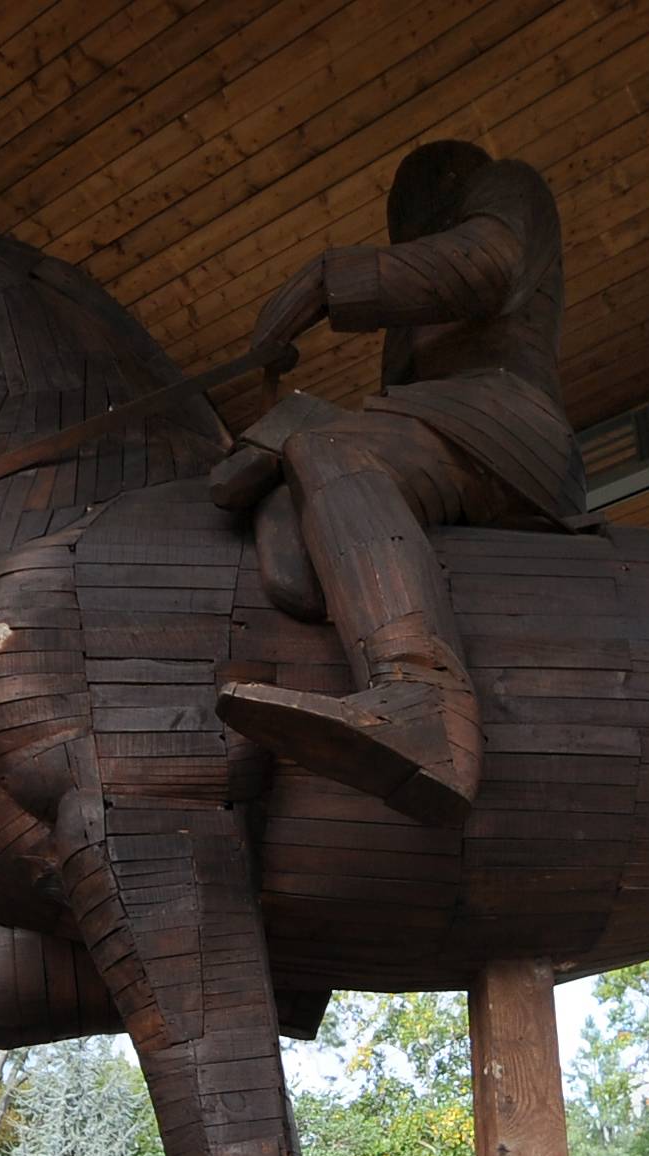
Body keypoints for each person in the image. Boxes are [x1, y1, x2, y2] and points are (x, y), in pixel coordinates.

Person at [210, 139, 584, 829]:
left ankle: (423, 703)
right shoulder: (413, 332)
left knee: (334, 451)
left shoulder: (511, 186)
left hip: (502, 423)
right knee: (291, 471)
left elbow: (485, 266)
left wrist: (328, 280)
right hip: (453, 428)